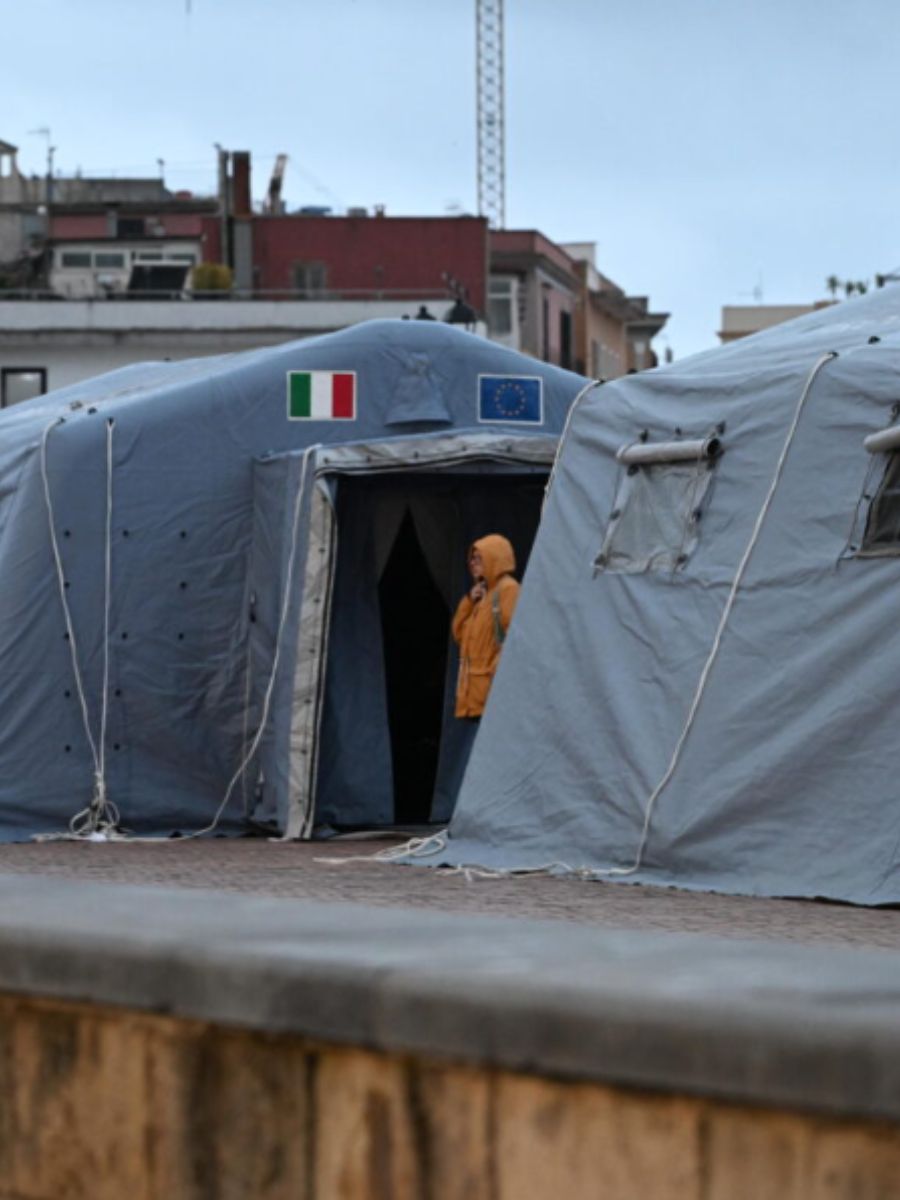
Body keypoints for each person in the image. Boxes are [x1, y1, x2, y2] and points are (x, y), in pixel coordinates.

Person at [451, 534, 519, 719]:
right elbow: (459, 635)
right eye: (472, 558)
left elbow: (515, 638)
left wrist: (494, 673)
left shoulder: (507, 590)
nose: (473, 563)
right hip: (476, 694)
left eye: (479, 558)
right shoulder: (484, 595)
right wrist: (468, 601)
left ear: (494, 559)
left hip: (492, 693)